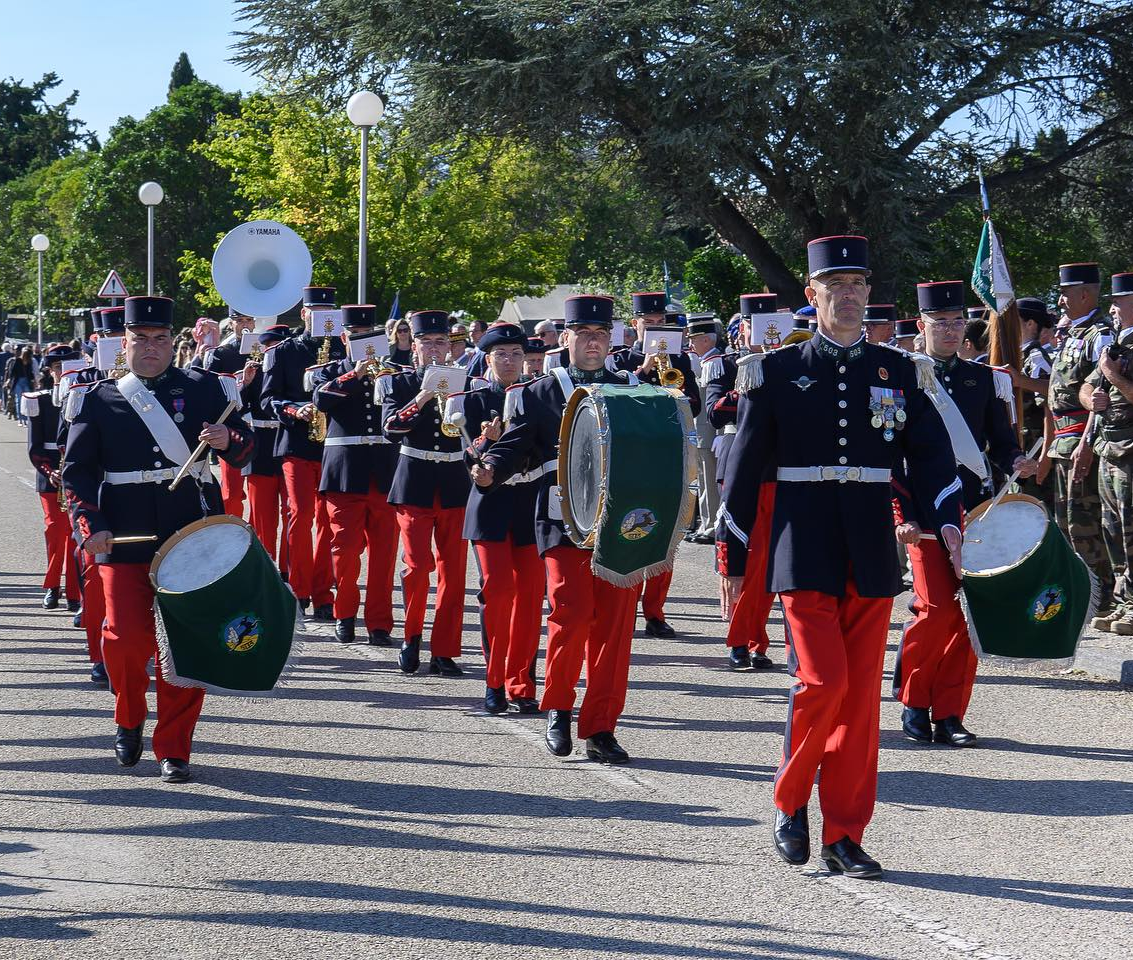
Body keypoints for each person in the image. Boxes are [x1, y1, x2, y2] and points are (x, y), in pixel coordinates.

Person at [717, 236, 962, 879]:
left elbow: (930, 452)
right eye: (836, 287)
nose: (849, 297)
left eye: (858, 286)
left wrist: (945, 519)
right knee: (821, 681)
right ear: (812, 295)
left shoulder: (899, 370)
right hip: (804, 541)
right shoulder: (772, 371)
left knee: (857, 706)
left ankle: (845, 833)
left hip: (871, 545)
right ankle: (790, 800)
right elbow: (742, 468)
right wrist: (733, 554)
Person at [62, 295, 255, 783]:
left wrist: (228, 441)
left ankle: (174, 746)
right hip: (123, 535)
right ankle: (129, 715)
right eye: (140, 339)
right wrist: (91, 525)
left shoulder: (209, 388)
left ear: (175, 341)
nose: (151, 348)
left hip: (192, 536)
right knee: (126, 641)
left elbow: (249, 448)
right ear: (122, 343)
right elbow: (77, 472)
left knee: (186, 648)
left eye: (161, 339)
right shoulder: (97, 397)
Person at [472, 294, 643, 764]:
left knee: (614, 627)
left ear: (611, 340)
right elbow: (513, 446)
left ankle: (602, 726)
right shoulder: (537, 391)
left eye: (601, 334)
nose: (593, 342)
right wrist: (489, 469)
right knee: (571, 612)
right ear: (564, 338)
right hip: (561, 518)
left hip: (619, 524)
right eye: (584, 334)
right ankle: (559, 708)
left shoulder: (631, 387)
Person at [891, 281, 1034, 748]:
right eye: (940, 322)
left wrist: (1017, 461)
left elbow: (1003, 441)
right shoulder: (901, 377)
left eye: (957, 322)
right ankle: (914, 701)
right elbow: (892, 458)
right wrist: (903, 514)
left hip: (975, 512)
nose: (950, 331)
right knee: (934, 609)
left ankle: (950, 712)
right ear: (921, 325)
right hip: (926, 516)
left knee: (970, 614)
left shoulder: (982, 380)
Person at [452, 322, 544, 714]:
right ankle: (494, 680)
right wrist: (485, 443)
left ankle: (521, 682)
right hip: (489, 503)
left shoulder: (540, 395)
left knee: (530, 598)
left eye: (517, 355)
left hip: (531, 502)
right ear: (486, 358)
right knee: (499, 590)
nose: (510, 361)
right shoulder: (470, 398)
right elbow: (466, 456)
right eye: (501, 355)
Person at [380, 310, 470, 676]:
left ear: (450, 346)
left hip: (454, 482)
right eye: (426, 343)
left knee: (454, 571)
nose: (434, 350)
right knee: (417, 567)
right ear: (412, 346)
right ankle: (412, 635)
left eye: (441, 343)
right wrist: (423, 396)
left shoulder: (467, 382)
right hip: (414, 480)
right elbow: (390, 427)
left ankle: (444, 649)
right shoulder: (396, 382)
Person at [312, 306, 399, 646]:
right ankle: (344, 613)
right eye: (357, 337)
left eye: (370, 337)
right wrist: (355, 375)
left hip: (384, 471)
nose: (364, 343)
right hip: (344, 474)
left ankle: (379, 623)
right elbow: (320, 400)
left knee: (383, 554)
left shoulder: (391, 372)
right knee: (344, 550)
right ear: (345, 337)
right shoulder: (329, 371)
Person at [616, 292, 701, 638]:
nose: (654, 328)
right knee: (629, 527)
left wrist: (674, 390)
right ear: (635, 323)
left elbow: (694, 406)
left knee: (666, 531)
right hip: (631, 457)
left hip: (668, 454)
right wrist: (644, 371)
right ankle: (626, 603)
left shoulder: (680, 361)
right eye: (648, 323)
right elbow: (614, 401)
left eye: (659, 323)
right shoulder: (620, 360)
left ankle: (655, 610)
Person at [260, 286, 344, 619]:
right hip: (296, 443)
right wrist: (296, 410)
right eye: (315, 312)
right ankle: (298, 589)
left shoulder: (343, 350)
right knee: (300, 515)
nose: (322, 318)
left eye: (329, 312)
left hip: (335, 446)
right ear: (305, 314)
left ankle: (324, 593)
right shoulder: (282, 352)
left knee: (328, 521)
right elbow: (268, 400)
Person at [713, 294, 780, 671]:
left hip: (781, 469)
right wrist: (751, 376)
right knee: (744, 558)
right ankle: (740, 638)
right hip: (741, 469)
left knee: (772, 563)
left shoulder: (789, 361)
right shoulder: (723, 365)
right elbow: (714, 408)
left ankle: (758, 639)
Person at [1049, 262, 1116, 612]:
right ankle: (1085, 592)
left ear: (1085, 294)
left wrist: (1087, 444)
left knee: (1085, 524)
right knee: (1067, 523)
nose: (1060, 300)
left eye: (1065, 293)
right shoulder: (1072, 334)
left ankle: (1101, 596)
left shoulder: (1099, 334)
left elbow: (1099, 395)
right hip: (1062, 440)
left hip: (1081, 439)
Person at [1083, 273, 1133, 634]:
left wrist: (1114, 379)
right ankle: (1124, 601)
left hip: (1130, 452)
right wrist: (1093, 397)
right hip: (1109, 448)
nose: (1112, 308)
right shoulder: (1116, 347)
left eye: (1120, 301)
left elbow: (1112, 379)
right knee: (1113, 530)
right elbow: (1086, 387)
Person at [24, 344, 82, 613]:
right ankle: (51, 586)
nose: (63, 373)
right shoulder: (41, 400)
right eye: (58, 369)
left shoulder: (85, 398)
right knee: (56, 533)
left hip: (79, 475)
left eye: (68, 367)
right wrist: (51, 472)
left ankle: (73, 592)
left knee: (74, 535)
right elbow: (35, 449)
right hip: (51, 479)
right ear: (50, 371)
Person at [240, 324, 291, 578]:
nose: (272, 351)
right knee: (262, 516)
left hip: (287, 441)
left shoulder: (292, 367)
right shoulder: (256, 372)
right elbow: (235, 411)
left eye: (276, 346)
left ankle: (288, 571)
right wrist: (244, 384)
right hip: (260, 444)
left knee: (292, 513)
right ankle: (264, 571)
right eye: (268, 347)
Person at [195, 308, 255, 517]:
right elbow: (216, 396)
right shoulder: (220, 354)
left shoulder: (265, 351)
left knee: (261, 494)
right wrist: (243, 383)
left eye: (249, 320)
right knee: (232, 493)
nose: (245, 325)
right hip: (234, 427)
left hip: (263, 429)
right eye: (240, 321)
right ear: (231, 324)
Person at [1014, 297, 1057, 511]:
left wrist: (1044, 456)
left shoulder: (1035, 357)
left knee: (1040, 511)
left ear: (1030, 324)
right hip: (1024, 446)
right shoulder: (1021, 356)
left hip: (1035, 446)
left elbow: (1051, 398)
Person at [687, 313, 722, 543]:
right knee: (702, 477)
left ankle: (711, 525)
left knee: (709, 478)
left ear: (707, 340)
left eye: (695, 339)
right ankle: (706, 523)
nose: (691, 344)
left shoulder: (713, 362)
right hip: (702, 430)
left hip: (708, 430)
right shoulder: (705, 361)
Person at [8, 346, 35, 425]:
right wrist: (9, 380)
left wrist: (34, 380)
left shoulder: (30, 362)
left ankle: (26, 419)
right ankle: (20, 419)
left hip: (26, 381)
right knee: (19, 400)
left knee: (27, 400)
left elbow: (30, 373)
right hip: (18, 382)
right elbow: (13, 372)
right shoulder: (18, 360)